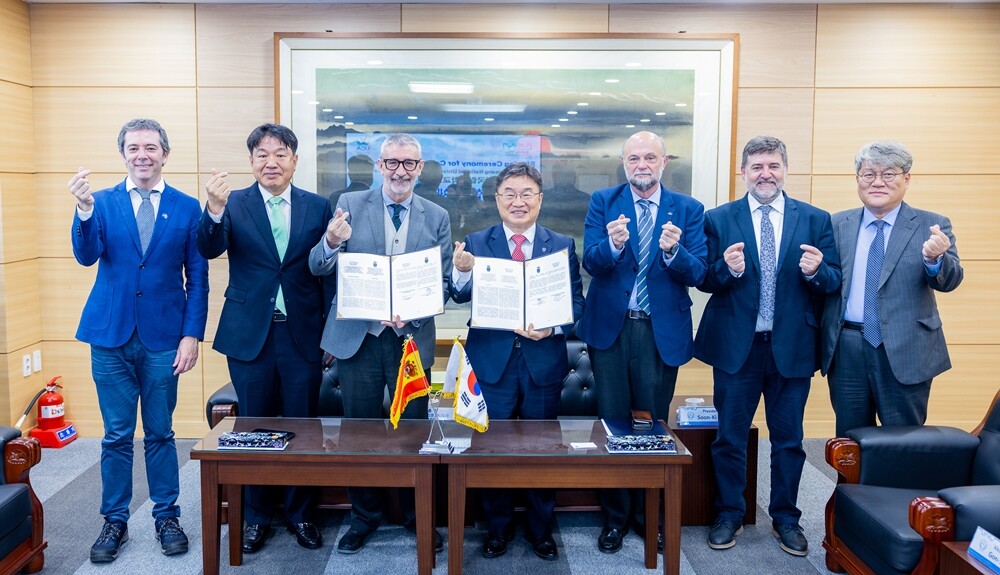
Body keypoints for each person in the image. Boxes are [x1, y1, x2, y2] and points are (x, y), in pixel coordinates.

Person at [69, 118, 208, 563]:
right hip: (110, 336)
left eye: (150, 147)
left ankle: (167, 517)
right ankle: (115, 520)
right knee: (116, 434)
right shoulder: (100, 202)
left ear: (165, 153)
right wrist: (83, 211)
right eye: (133, 148)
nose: (142, 155)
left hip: (164, 338)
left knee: (161, 432)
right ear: (123, 154)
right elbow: (86, 255)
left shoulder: (187, 208)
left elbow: (197, 278)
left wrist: (191, 335)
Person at [695, 135, 841, 557]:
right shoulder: (718, 219)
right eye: (757, 166)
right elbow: (703, 278)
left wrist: (816, 272)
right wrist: (726, 269)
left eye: (773, 166)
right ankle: (729, 513)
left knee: (789, 440)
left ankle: (786, 518)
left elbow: (833, 280)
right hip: (737, 349)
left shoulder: (815, 219)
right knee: (729, 438)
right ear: (743, 172)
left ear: (785, 170)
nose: (766, 174)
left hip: (792, 348)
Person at [309, 133, 452, 555]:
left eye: (408, 163)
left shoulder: (437, 215)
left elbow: (443, 281)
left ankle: (415, 514)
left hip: (411, 340)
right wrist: (331, 241)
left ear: (419, 168)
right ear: (379, 165)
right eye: (392, 162)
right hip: (360, 338)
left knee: (413, 431)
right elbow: (318, 266)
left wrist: (417, 311)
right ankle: (364, 517)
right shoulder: (349, 204)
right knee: (360, 431)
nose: (399, 171)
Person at [197, 123, 332, 554]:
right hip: (249, 332)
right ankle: (255, 516)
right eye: (262, 155)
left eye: (280, 154)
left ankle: (301, 513)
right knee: (252, 426)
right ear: (251, 161)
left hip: (302, 333)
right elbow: (208, 248)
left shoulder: (318, 206)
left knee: (302, 425)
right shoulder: (233, 202)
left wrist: (330, 333)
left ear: (295, 160)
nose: (271, 162)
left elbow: (327, 274)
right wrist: (213, 209)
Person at [577, 131, 708, 553]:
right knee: (613, 424)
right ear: (624, 162)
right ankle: (616, 518)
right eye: (633, 158)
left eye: (650, 157)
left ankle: (651, 516)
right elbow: (590, 262)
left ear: (664, 161)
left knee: (653, 426)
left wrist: (673, 253)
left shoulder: (688, 209)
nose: (642, 165)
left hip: (659, 331)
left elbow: (699, 272)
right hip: (611, 330)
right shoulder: (604, 201)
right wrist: (613, 246)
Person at [449, 162, 585, 562]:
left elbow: (576, 303)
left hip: (543, 363)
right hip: (492, 364)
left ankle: (541, 530)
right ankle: (497, 528)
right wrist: (460, 272)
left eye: (527, 193)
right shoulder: (477, 241)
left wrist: (552, 327)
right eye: (509, 193)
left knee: (543, 449)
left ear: (540, 199)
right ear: (497, 200)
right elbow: (458, 294)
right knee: (492, 449)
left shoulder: (561, 244)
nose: (518, 201)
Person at [821, 141, 963, 437]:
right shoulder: (836, 224)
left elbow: (950, 281)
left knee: (903, 441)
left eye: (888, 174)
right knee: (849, 439)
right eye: (869, 174)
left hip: (907, 347)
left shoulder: (932, 224)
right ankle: (852, 473)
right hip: (848, 347)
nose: (877, 182)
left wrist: (935, 259)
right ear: (857, 179)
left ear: (906, 179)